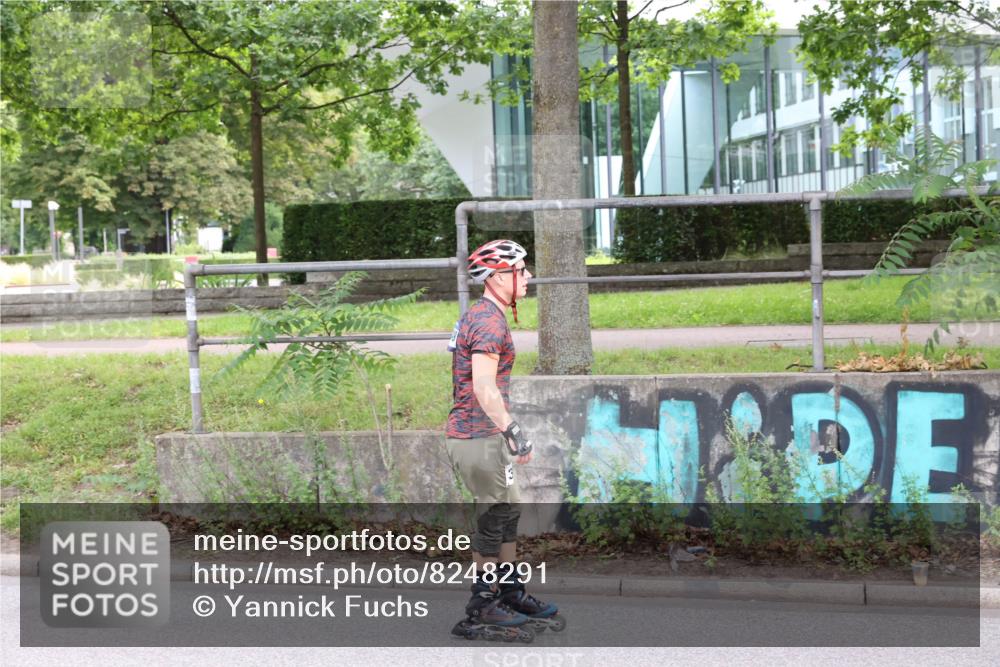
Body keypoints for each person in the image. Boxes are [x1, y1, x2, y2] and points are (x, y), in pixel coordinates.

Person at [445, 240, 562, 641]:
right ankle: (481, 602)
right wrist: (515, 432)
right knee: (493, 520)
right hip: (477, 437)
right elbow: (484, 387)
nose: (528, 277)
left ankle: (509, 591)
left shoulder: (484, 315)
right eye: (521, 270)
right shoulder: (489, 322)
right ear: (497, 277)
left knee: (509, 510)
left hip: (486, 436)